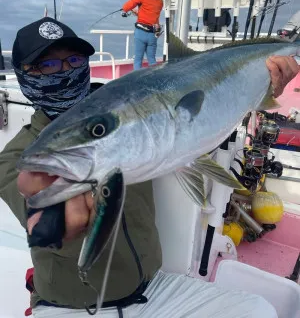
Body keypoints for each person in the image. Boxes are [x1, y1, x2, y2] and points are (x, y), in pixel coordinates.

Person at [0, 17, 298, 317]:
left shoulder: (121, 98)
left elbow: (186, 130)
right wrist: (53, 224)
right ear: (23, 75)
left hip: (153, 289)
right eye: (47, 66)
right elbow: (35, 208)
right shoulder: (18, 158)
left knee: (258, 310)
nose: (65, 71)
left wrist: (261, 88)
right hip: (71, 306)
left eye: (74, 60)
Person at [122, 0, 163, 70]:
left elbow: (126, 7)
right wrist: (138, 12)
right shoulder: (160, 1)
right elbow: (151, 15)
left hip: (141, 33)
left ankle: (137, 84)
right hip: (152, 35)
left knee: (138, 61)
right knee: (152, 61)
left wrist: (128, 11)